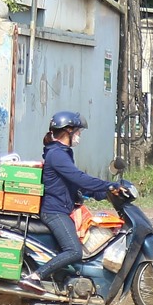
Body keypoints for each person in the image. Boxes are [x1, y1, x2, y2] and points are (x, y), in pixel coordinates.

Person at [29, 111, 120, 288]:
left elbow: (76, 185)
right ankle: (35, 277)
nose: (79, 136)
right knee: (73, 251)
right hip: (54, 212)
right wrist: (107, 185)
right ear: (67, 132)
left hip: (62, 208)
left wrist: (104, 194)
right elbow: (79, 178)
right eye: (78, 132)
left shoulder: (63, 152)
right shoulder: (57, 154)